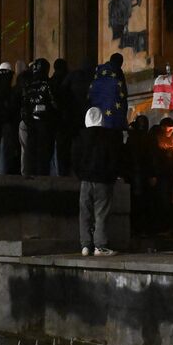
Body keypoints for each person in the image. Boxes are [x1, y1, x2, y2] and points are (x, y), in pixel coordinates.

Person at [73, 106, 122, 256]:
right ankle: (100, 246)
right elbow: (114, 159)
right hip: (103, 180)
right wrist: (112, 176)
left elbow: (74, 159)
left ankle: (85, 245)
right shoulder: (109, 137)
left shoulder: (80, 136)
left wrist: (81, 175)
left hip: (86, 180)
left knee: (85, 213)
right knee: (101, 213)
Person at [20, 59, 58, 176]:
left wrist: (28, 120)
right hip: (45, 124)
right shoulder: (48, 84)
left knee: (30, 150)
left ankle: (30, 174)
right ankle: (42, 176)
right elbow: (54, 103)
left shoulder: (28, 85)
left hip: (31, 123)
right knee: (44, 152)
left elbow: (24, 105)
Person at [88, 52, 128, 128]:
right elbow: (123, 94)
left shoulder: (98, 72)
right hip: (114, 115)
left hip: (96, 112)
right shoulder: (118, 73)